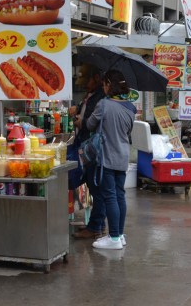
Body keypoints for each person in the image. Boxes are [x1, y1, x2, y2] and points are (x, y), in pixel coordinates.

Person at [86, 70, 136, 250]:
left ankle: (114, 238)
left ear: (108, 84)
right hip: (123, 155)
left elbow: (90, 124)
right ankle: (120, 234)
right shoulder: (131, 107)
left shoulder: (104, 105)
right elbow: (128, 131)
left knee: (110, 197)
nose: (103, 87)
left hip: (107, 157)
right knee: (119, 195)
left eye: (104, 84)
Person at [70, 65, 107, 240]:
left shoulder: (101, 99)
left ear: (98, 79)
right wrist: (77, 111)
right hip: (86, 146)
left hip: (92, 149)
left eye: (88, 81)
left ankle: (95, 227)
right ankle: (98, 224)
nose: (85, 85)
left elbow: (92, 123)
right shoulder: (91, 96)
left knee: (96, 188)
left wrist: (81, 122)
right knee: (94, 187)